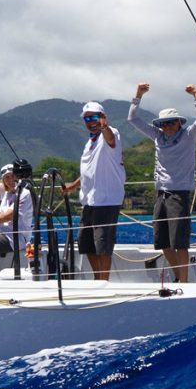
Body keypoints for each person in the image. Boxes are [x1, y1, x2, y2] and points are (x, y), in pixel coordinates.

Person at [128, 82, 196, 283]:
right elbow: (132, 119)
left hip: (179, 194)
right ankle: (178, 278)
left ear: (179, 122)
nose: (167, 126)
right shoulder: (157, 136)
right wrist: (138, 95)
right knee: (162, 242)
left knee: (180, 242)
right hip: (160, 194)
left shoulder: (188, 136)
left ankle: (185, 283)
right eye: (163, 123)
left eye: (171, 122)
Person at [62, 102, 125, 280]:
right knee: (86, 243)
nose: (91, 121)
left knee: (102, 245)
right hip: (89, 201)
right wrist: (72, 186)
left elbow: (110, 139)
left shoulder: (111, 134)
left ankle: (103, 281)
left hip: (106, 200)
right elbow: (88, 171)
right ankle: (98, 279)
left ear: (103, 117)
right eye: (87, 118)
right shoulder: (89, 142)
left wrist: (104, 127)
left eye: (94, 117)